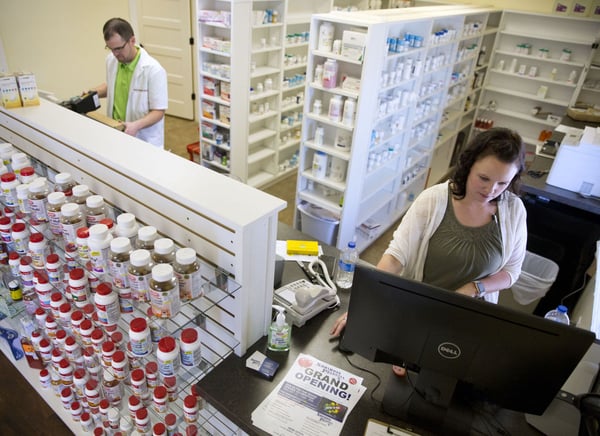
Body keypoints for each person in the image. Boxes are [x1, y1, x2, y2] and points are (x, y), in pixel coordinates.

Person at [330, 128, 528, 367]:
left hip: (471, 323)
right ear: (468, 166)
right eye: (484, 178)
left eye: (503, 183)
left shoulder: (514, 211)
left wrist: (473, 287)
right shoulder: (433, 200)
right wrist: (364, 308)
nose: (491, 190)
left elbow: (511, 272)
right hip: (419, 313)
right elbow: (395, 257)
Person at [92, 18, 168, 148]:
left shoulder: (153, 70)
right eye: (110, 49)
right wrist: (93, 93)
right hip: (116, 131)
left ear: (132, 41)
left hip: (143, 139)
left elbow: (158, 111)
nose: (115, 54)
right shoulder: (111, 60)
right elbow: (112, 86)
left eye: (119, 48)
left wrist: (136, 125)